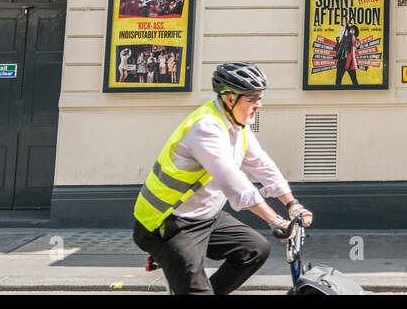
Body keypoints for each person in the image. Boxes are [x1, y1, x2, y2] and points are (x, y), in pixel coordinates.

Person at [132, 62, 313, 295]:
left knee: (255, 249)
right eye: (252, 98)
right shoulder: (206, 128)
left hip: (206, 217)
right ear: (230, 99)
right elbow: (234, 183)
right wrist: (274, 220)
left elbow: (263, 165)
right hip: (169, 223)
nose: (259, 104)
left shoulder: (238, 126)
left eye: (260, 97)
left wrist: (292, 204)